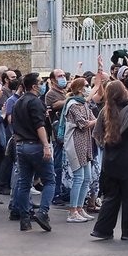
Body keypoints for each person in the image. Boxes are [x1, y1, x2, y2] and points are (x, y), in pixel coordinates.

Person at [91, 81, 128, 240]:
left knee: (111, 197)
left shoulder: (105, 111)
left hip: (110, 161)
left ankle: (102, 229)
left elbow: (99, 135)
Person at [11, 73, 55, 232]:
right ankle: (43, 212)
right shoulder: (35, 102)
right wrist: (45, 145)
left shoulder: (18, 102)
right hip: (35, 145)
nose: (43, 84)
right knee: (49, 180)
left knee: (24, 182)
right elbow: (39, 125)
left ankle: (24, 219)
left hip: (21, 145)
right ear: (35, 86)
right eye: (41, 82)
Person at [61, 77, 97, 223]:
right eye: (87, 86)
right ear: (81, 89)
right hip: (75, 143)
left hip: (85, 143)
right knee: (79, 178)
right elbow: (84, 123)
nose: (89, 88)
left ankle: (80, 208)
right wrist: (99, 118)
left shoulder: (83, 104)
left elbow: (91, 119)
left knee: (87, 178)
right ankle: (72, 211)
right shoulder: (74, 105)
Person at [46, 68, 70, 206]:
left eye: (63, 75)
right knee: (58, 165)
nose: (63, 78)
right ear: (53, 80)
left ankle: (65, 192)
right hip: (58, 134)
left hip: (68, 132)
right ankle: (56, 194)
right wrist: (71, 98)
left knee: (66, 165)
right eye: (59, 76)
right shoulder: (51, 94)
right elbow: (55, 105)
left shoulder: (64, 92)